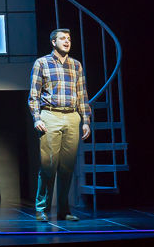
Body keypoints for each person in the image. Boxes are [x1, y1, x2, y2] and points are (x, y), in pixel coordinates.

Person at [28, 28, 92, 221]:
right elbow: (34, 95)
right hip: (50, 115)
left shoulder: (76, 65)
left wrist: (86, 120)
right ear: (53, 42)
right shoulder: (42, 63)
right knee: (48, 165)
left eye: (69, 38)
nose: (67, 41)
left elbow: (82, 95)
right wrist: (37, 118)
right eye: (62, 38)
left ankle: (64, 210)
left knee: (67, 167)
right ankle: (42, 208)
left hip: (72, 117)